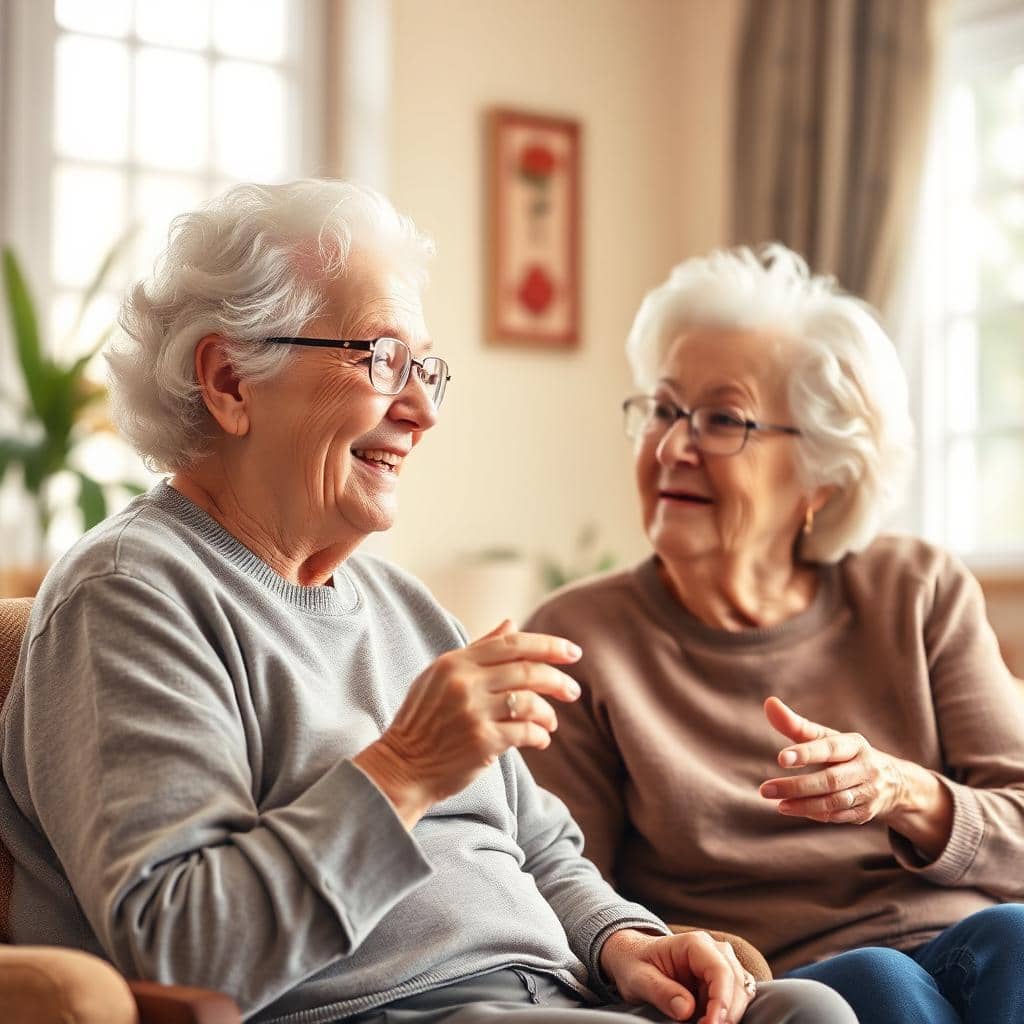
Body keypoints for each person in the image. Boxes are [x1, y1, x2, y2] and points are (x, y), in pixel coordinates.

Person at [0, 184, 851, 1024]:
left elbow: (541, 846)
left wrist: (619, 939)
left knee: (810, 1008)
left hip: (555, 997)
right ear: (229, 380)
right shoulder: (131, 596)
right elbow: (186, 947)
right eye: (379, 360)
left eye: (426, 371)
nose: (419, 412)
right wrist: (403, 769)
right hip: (390, 1012)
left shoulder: (401, 604)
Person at [523, 244, 1024, 1024]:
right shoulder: (582, 639)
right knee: (879, 987)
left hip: (970, 933)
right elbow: (558, 889)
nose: (673, 445)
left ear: (821, 476)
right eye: (662, 409)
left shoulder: (918, 589)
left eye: (722, 419)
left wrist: (902, 791)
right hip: (790, 981)